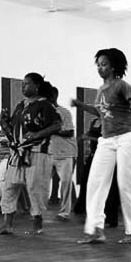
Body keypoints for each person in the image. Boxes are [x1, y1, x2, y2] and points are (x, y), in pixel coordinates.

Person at [74, 48, 131, 244]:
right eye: (98, 65)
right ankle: (96, 231)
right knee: (95, 182)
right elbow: (101, 112)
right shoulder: (101, 90)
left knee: (126, 182)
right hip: (107, 139)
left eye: (104, 64)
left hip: (127, 137)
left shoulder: (122, 86)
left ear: (114, 66)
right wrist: (81, 105)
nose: (100, 68)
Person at [0, 73, 61, 235]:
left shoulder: (45, 105)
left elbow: (57, 125)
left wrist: (38, 134)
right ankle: (7, 224)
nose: (23, 87)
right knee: (10, 186)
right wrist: (3, 122)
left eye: (27, 84)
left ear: (37, 86)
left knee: (34, 188)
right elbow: (11, 129)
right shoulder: (20, 106)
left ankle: (37, 224)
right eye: (22, 84)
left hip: (37, 152)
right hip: (17, 153)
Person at [48, 86, 77, 221]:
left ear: (54, 96)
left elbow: (69, 132)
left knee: (65, 183)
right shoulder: (44, 113)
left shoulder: (64, 112)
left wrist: (53, 131)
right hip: (50, 152)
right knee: (40, 182)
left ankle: (64, 212)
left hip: (66, 153)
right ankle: (36, 211)